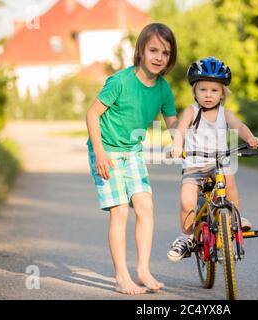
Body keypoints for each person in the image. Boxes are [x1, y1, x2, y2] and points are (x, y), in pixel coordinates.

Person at [86, 23, 178, 294]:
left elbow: (172, 124)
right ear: (141, 50)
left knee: (145, 206)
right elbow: (92, 115)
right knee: (120, 212)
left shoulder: (163, 89)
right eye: (153, 50)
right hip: (107, 150)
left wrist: (184, 142)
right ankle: (121, 277)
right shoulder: (120, 81)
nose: (159, 57)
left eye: (166, 52)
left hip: (133, 152)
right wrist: (99, 153)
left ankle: (143, 270)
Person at [167, 56, 258, 262]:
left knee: (230, 181)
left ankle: (236, 217)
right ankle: (186, 237)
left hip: (219, 162)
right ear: (195, 91)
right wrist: (176, 144)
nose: (208, 95)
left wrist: (250, 137)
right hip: (195, 164)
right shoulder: (192, 111)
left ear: (222, 94)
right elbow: (181, 129)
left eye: (214, 90)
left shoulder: (225, 114)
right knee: (186, 201)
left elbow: (239, 126)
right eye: (203, 90)